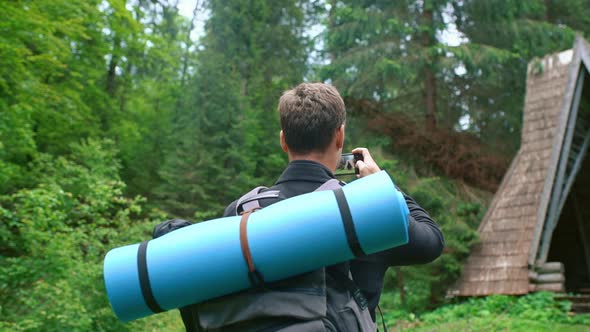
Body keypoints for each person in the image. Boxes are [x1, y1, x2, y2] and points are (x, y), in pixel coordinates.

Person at [176, 82, 444, 331]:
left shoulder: (242, 211)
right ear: (339, 137)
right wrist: (384, 186)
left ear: (283, 140)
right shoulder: (364, 211)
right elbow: (431, 241)